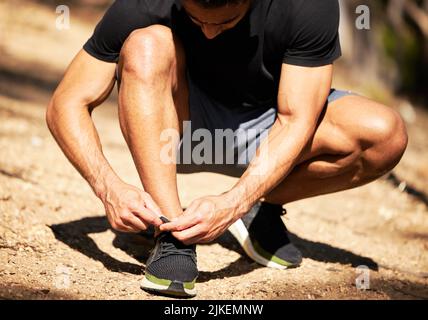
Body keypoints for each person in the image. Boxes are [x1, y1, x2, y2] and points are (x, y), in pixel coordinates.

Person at [46, 0, 408, 298]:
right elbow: (65, 103)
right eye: (194, 19)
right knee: (145, 44)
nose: (207, 31)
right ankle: (174, 234)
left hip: (274, 130)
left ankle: (255, 217)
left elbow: (295, 120)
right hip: (179, 130)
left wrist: (235, 203)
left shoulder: (307, 5)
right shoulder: (144, 3)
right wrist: (108, 187)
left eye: (225, 22)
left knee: (384, 135)